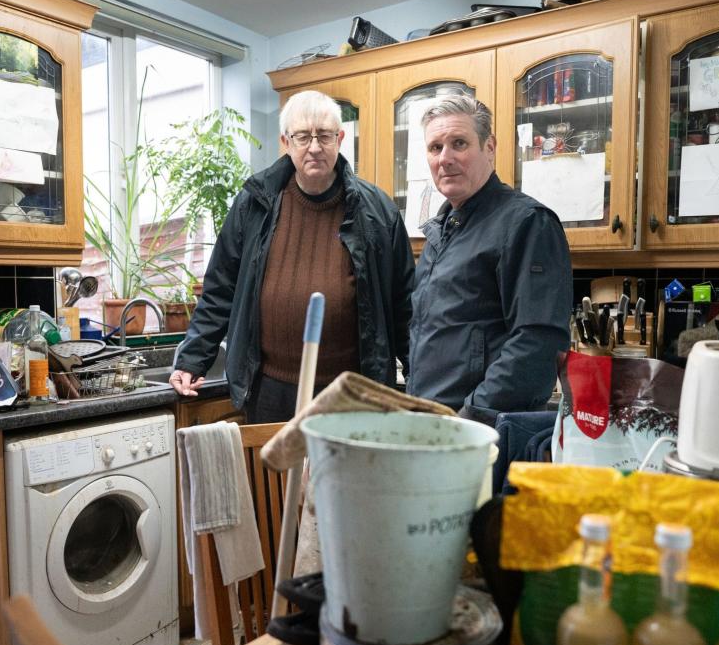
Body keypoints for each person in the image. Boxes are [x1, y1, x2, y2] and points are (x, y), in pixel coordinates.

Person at [170, 91, 415, 423]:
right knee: (273, 477)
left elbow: (404, 303)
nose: (314, 147)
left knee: (345, 478)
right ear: (286, 141)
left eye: (324, 136)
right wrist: (191, 359)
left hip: (351, 394)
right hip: (270, 391)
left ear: (340, 139)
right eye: (303, 136)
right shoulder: (253, 203)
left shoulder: (378, 211)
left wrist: (419, 372)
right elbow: (220, 290)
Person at [406, 95, 573, 420]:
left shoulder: (527, 223)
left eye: (459, 143)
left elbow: (537, 344)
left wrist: (469, 419)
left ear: (489, 147)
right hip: (433, 429)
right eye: (435, 148)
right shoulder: (440, 233)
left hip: (481, 436)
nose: (445, 158)